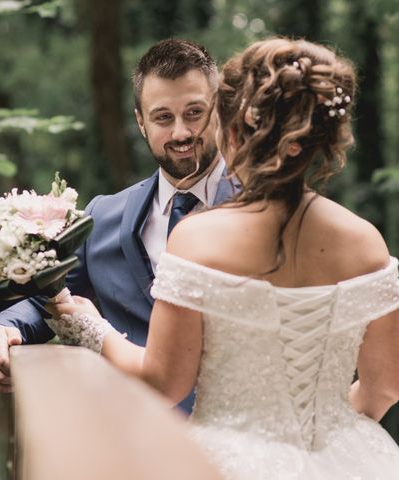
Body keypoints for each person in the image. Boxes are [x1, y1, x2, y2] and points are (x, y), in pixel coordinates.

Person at [46, 37, 399, 478]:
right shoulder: (365, 242)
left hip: (224, 461)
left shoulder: (198, 239)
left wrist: (88, 324)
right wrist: (317, 434)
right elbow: (384, 386)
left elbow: (164, 381)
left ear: (233, 131)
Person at [0, 39, 237, 412]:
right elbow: (46, 299)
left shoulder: (264, 207)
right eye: (163, 117)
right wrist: (0, 330)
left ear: (219, 111)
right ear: (140, 122)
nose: (181, 133)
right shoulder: (103, 217)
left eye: (194, 113)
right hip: (130, 435)